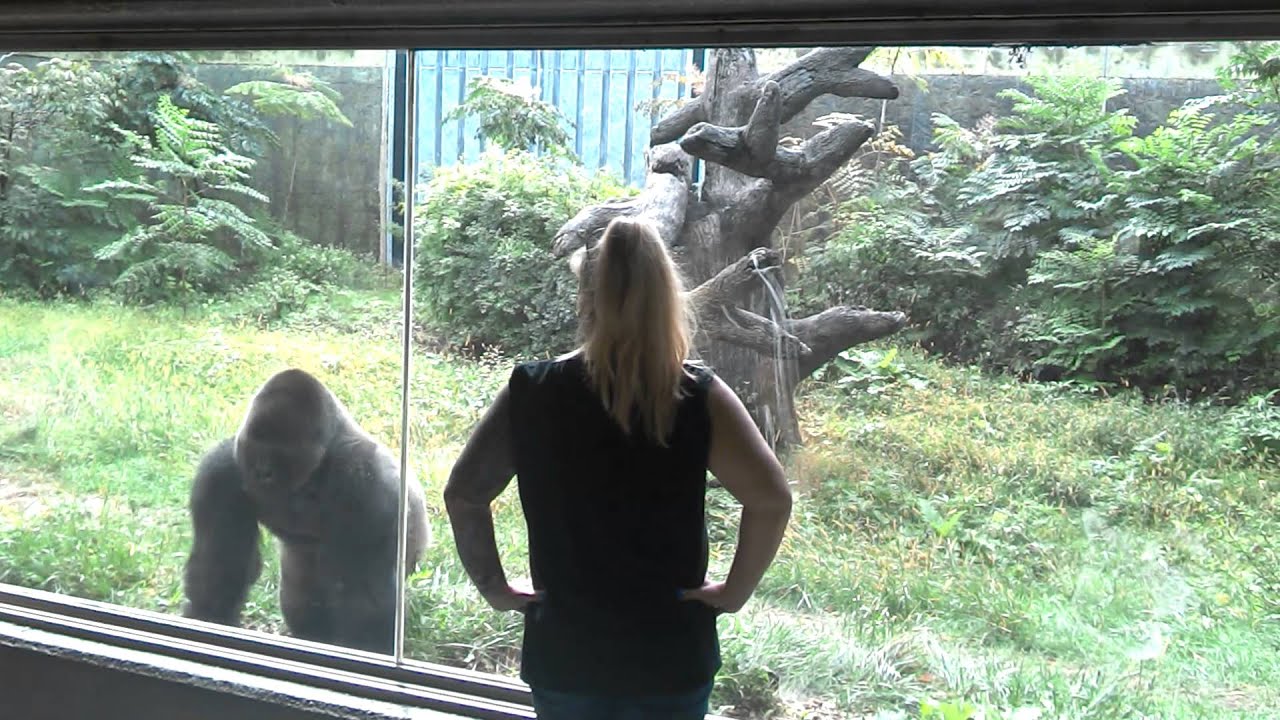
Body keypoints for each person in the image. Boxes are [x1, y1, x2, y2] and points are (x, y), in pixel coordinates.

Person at [443, 216, 792, 720]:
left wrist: (494, 586)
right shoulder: (699, 396)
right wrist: (733, 592)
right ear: (668, 296)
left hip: (566, 653)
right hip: (669, 655)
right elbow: (771, 500)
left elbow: (465, 494)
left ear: (587, 297)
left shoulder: (533, 391)